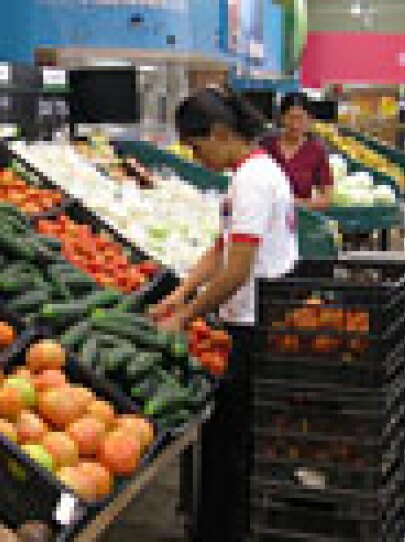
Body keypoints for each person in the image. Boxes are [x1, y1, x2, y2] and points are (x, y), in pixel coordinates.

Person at [152, 88, 299, 541]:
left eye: (197, 148)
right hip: (256, 320)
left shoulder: (254, 180)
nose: (196, 158)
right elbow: (222, 248)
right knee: (228, 440)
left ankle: (226, 532)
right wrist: (180, 293)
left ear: (219, 133)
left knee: (232, 446)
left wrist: (187, 316)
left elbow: (237, 271)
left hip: (255, 327)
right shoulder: (252, 173)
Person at [260, 92, 333, 210]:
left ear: (309, 120)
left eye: (300, 118)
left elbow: (326, 199)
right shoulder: (266, 146)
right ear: (281, 118)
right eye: (291, 117)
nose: (295, 125)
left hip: (300, 219)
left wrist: (294, 203)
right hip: (265, 217)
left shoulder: (316, 151)